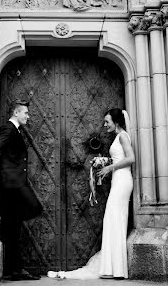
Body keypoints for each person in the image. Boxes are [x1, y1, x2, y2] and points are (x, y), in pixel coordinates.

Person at [48, 108, 134, 280]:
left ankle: (116, 269)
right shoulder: (119, 136)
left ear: (116, 122)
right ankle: (113, 268)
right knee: (114, 220)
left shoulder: (123, 136)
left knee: (114, 219)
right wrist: (106, 163)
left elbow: (131, 158)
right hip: (119, 179)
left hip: (123, 181)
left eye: (107, 121)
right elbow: (120, 158)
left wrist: (110, 167)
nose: (105, 124)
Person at [0, 100, 43, 281]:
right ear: (16, 112)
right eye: (26, 113)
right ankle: (15, 269)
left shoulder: (15, 130)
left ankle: (14, 270)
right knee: (33, 209)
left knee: (13, 227)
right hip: (12, 185)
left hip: (15, 184)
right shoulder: (8, 129)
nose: (28, 116)